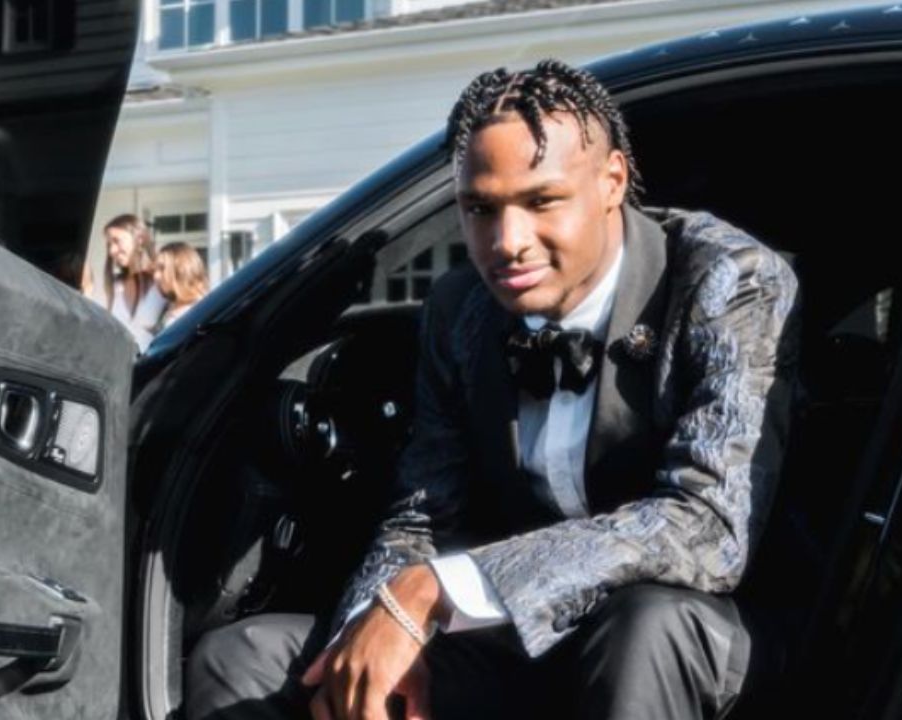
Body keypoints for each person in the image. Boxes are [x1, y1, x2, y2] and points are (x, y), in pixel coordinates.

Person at [186, 59, 799, 720]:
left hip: (692, 632)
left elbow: (706, 523)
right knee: (242, 659)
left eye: (541, 201)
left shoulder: (727, 277)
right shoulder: (461, 311)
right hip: (516, 641)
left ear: (612, 181)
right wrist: (376, 633)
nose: (507, 242)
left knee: (645, 628)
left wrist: (441, 590)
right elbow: (423, 516)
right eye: (480, 208)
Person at [102, 214, 167, 350]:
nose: (112, 250)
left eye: (117, 241)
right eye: (109, 244)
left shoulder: (162, 282)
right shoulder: (116, 287)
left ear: (139, 239)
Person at [154, 241, 209, 332]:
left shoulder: (200, 311)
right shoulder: (166, 307)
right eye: (155, 270)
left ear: (180, 270)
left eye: (162, 268)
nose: (156, 276)